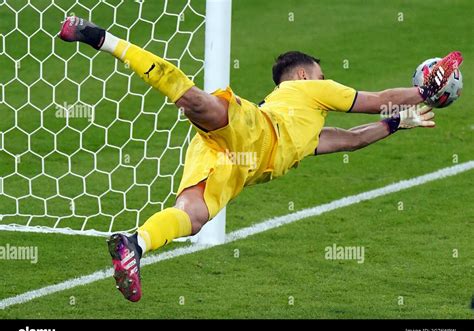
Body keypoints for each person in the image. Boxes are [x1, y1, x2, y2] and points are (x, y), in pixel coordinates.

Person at [59, 16, 462, 302]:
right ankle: (100, 38)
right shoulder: (308, 91)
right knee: (192, 98)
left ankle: (135, 243)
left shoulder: (306, 131)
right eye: (321, 74)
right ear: (305, 76)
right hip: (253, 130)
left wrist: (397, 124)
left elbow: (352, 139)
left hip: (238, 165)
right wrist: (424, 93)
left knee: (193, 217)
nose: (325, 81)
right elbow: (374, 102)